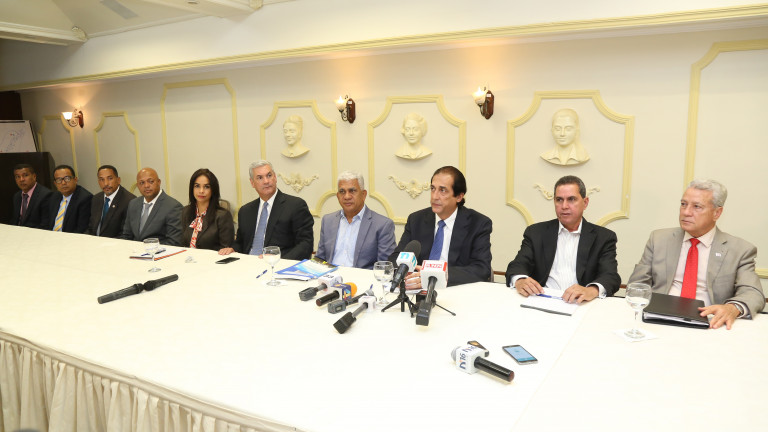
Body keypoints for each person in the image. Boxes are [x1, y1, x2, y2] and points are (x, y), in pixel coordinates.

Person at [628, 179, 765, 329]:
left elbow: (753, 293)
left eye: (697, 206)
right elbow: (637, 284)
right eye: (683, 204)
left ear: (717, 213)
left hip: (709, 324)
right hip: (658, 319)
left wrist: (732, 308)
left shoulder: (740, 250)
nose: (686, 212)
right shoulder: (659, 239)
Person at [506, 175, 620, 303]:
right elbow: (517, 266)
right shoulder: (536, 232)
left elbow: (610, 277)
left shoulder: (604, 237)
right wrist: (520, 280)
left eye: (571, 199)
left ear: (585, 202)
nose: (564, 206)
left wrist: (591, 290)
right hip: (543, 300)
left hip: (581, 304)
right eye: (559, 200)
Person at [390, 166, 492, 287]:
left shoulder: (478, 224)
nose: (435, 196)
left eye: (442, 190)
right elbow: (395, 258)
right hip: (417, 290)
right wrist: (405, 273)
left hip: (455, 289)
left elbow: (481, 269)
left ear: (459, 197)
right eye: (433, 189)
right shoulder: (416, 220)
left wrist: (439, 275)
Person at [222, 160, 313, 260]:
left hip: (278, 264)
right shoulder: (245, 211)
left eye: (269, 175)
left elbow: (306, 244)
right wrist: (233, 249)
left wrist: (278, 259)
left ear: (275, 177)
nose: (266, 181)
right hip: (248, 263)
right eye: (260, 178)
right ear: (252, 183)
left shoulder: (295, 205)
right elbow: (241, 242)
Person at [316, 171, 396, 269]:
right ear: (337, 196)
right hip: (329, 276)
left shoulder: (383, 225)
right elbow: (320, 259)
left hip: (362, 278)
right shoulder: (328, 221)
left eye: (352, 191)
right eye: (342, 192)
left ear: (363, 194)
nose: (347, 196)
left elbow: (384, 268)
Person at [120, 167, 183, 246]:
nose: (146, 185)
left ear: (159, 182)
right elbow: (126, 236)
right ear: (138, 185)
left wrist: (147, 250)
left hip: (159, 252)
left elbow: (174, 242)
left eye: (151, 181)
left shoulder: (173, 207)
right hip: (133, 251)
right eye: (142, 183)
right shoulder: (133, 204)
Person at [181, 168, 235, 253]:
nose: (201, 191)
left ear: (213, 190)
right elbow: (182, 244)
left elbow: (226, 250)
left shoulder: (223, 216)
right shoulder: (186, 211)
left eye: (206, 187)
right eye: (197, 186)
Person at [86, 165, 136, 237]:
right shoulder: (96, 198)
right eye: (102, 179)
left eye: (110, 178)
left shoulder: (129, 201)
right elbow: (91, 228)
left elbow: (125, 234)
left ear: (118, 180)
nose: (106, 183)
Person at [46, 164, 92, 233]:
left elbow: (81, 229)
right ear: (55, 183)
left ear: (75, 180)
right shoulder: (53, 197)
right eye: (59, 180)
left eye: (67, 178)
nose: (63, 183)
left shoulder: (85, 198)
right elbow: (48, 223)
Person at [11, 163, 52, 229]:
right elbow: (15, 221)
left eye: (25, 175)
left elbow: (45, 225)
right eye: (17, 177)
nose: (21, 179)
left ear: (34, 176)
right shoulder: (17, 196)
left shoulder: (45, 195)